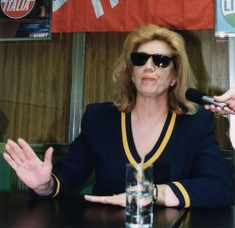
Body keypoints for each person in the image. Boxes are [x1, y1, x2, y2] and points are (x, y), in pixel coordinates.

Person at [3, 24, 232, 208]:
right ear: (131, 73)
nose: (149, 66)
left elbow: (219, 187)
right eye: (140, 59)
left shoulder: (195, 121)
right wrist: (44, 186)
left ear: (175, 76)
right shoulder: (100, 118)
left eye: (161, 61)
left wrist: (153, 194)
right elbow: (67, 177)